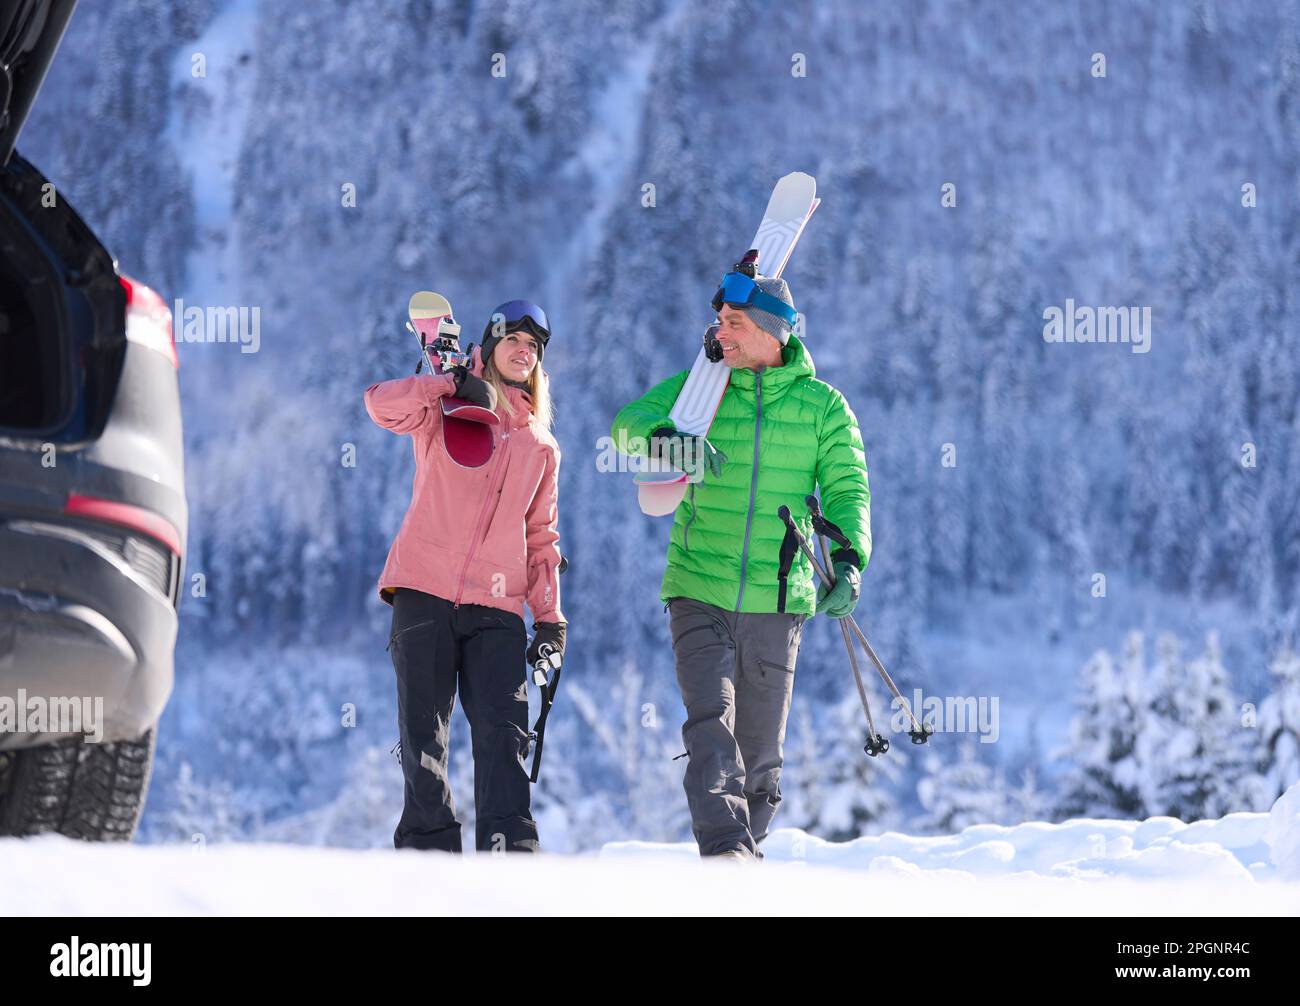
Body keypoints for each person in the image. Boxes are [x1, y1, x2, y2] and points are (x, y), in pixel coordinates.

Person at [610, 265, 870, 859]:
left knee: (761, 749)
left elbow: (849, 488)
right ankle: (724, 844)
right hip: (697, 585)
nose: (719, 331)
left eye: (733, 322)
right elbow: (626, 425)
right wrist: (664, 440)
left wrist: (850, 560)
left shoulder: (823, 408)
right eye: (719, 320)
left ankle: (745, 853)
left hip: (777, 599)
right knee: (710, 720)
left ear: (771, 333)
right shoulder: (702, 386)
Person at [364, 299, 566, 853]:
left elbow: (542, 538)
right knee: (423, 741)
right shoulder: (446, 407)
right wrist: (445, 383)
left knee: (505, 737)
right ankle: (430, 864)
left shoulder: (540, 447)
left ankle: (509, 855)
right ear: (490, 347)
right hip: (423, 593)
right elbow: (379, 406)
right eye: (513, 342)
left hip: (498, 609)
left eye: (534, 347)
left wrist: (550, 618)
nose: (524, 352)